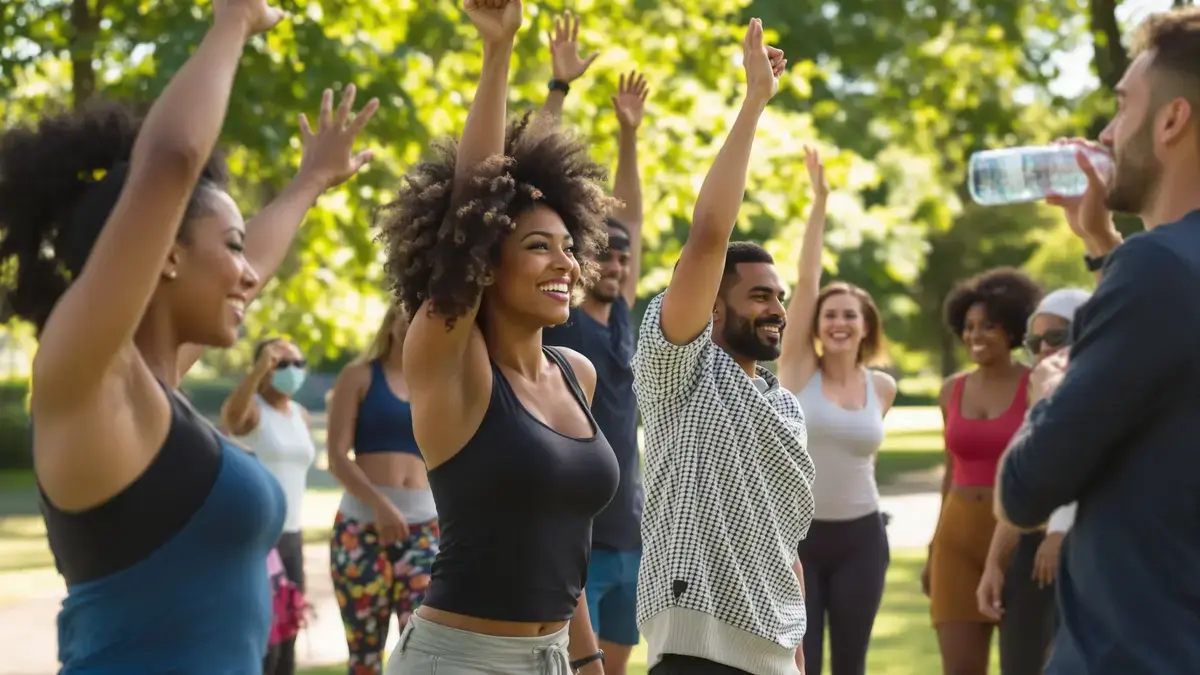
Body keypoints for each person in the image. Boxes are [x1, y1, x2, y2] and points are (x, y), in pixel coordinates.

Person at [0, 1, 378, 670]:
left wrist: (310, 182)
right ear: (165, 253)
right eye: (229, 245)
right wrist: (232, 21)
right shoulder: (87, 377)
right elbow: (172, 160)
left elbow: (249, 269)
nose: (247, 273)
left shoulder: (155, 389)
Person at [376, 1, 618, 673]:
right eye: (537, 246)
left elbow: (559, 533)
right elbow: (472, 213)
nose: (565, 264)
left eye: (570, 247)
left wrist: (588, 655)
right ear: (491, 263)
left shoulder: (576, 374)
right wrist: (499, 51)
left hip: (553, 658)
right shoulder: (452, 365)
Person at [998, 8, 1200, 673]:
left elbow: (1025, 492)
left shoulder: (1156, 270)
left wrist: (1051, 388)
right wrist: (1101, 245)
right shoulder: (1164, 270)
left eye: (1121, 107)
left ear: (1171, 120)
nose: (1107, 134)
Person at [631, 19, 812, 675]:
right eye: (759, 294)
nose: (777, 308)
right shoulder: (677, 370)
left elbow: (782, 536)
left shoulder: (783, 408)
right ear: (713, 303)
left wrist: (792, 635)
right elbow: (709, 234)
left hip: (776, 648)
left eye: (780, 295)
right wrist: (753, 104)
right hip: (693, 648)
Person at [540, 29, 648, 675]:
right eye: (602, 254)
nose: (616, 263)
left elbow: (629, 219)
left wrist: (628, 133)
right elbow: (524, 191)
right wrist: (560, 90)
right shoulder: (556, 320)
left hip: (630, 529)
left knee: (620, 663)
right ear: (579, 261)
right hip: (573, 531)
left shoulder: (624, 315)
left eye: (622, 258)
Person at [776, 147, 897, 675]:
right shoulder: (800, 369)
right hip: (800, 540)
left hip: (862, 538)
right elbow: (806, 282)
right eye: (830, 315)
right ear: (816, 325)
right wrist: (820, 201)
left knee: (851, 663)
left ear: (866, 326)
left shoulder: (883, 387)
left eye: (850, 315)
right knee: (803, 663)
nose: (839, 323)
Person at [925, 268, 1041, 675]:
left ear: (1013, 328)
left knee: (1024, 666)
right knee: (959, 669)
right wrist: (934, 543)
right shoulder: (950, 390)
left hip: (1018, 536)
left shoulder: (1036, 385)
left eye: (988, 326)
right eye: (969, 326)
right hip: (956, 541)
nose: (975, 335)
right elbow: (950, 469)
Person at [973, 288, 1090, 675]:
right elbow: (1022, 484)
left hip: (1086, 554)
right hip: (1029, 552)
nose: (1043, 350)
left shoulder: (1109, 394)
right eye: (1034, 342)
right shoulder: (1040, 392)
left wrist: (1060, 531)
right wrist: (994, 563)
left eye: (1055, 337)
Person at [325, 305, 439, 675]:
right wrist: (380, 505)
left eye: (420, 317)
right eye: (403, 315)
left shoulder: (436, 382)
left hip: (422, 530)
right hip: (362, 528)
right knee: (364, 653)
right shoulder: (357, 376)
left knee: (420, 644)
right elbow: (337, 457)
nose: (410, 324)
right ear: (389, 324)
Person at [222, 337, 319, 675]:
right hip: (261, 539)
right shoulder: (253, 412)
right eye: (282, 363)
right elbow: (231, 420)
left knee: (290, 633)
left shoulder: (301, 415)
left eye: (298, 363)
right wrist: (259, 370)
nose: (292, 370)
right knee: (266, 644)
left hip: (293, 536)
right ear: (264, 367)